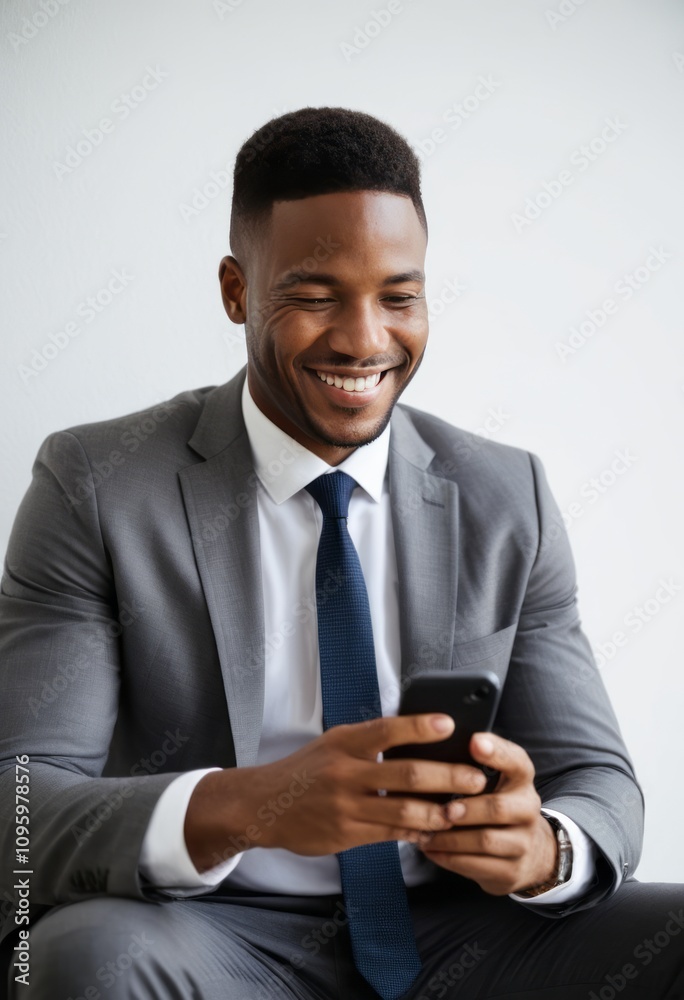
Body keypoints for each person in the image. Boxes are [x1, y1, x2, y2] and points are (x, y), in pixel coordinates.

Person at [0, 106, 682, 1000]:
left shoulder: (506, 493)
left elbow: (597, 779)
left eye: (399, 297)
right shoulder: (97, 483)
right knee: (85, 960)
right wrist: (253, 805)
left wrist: (544, 847)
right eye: (316, 296)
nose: (365, 340)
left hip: (459, 930)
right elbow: (19, 807)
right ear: (237, 292)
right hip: (206, 930)